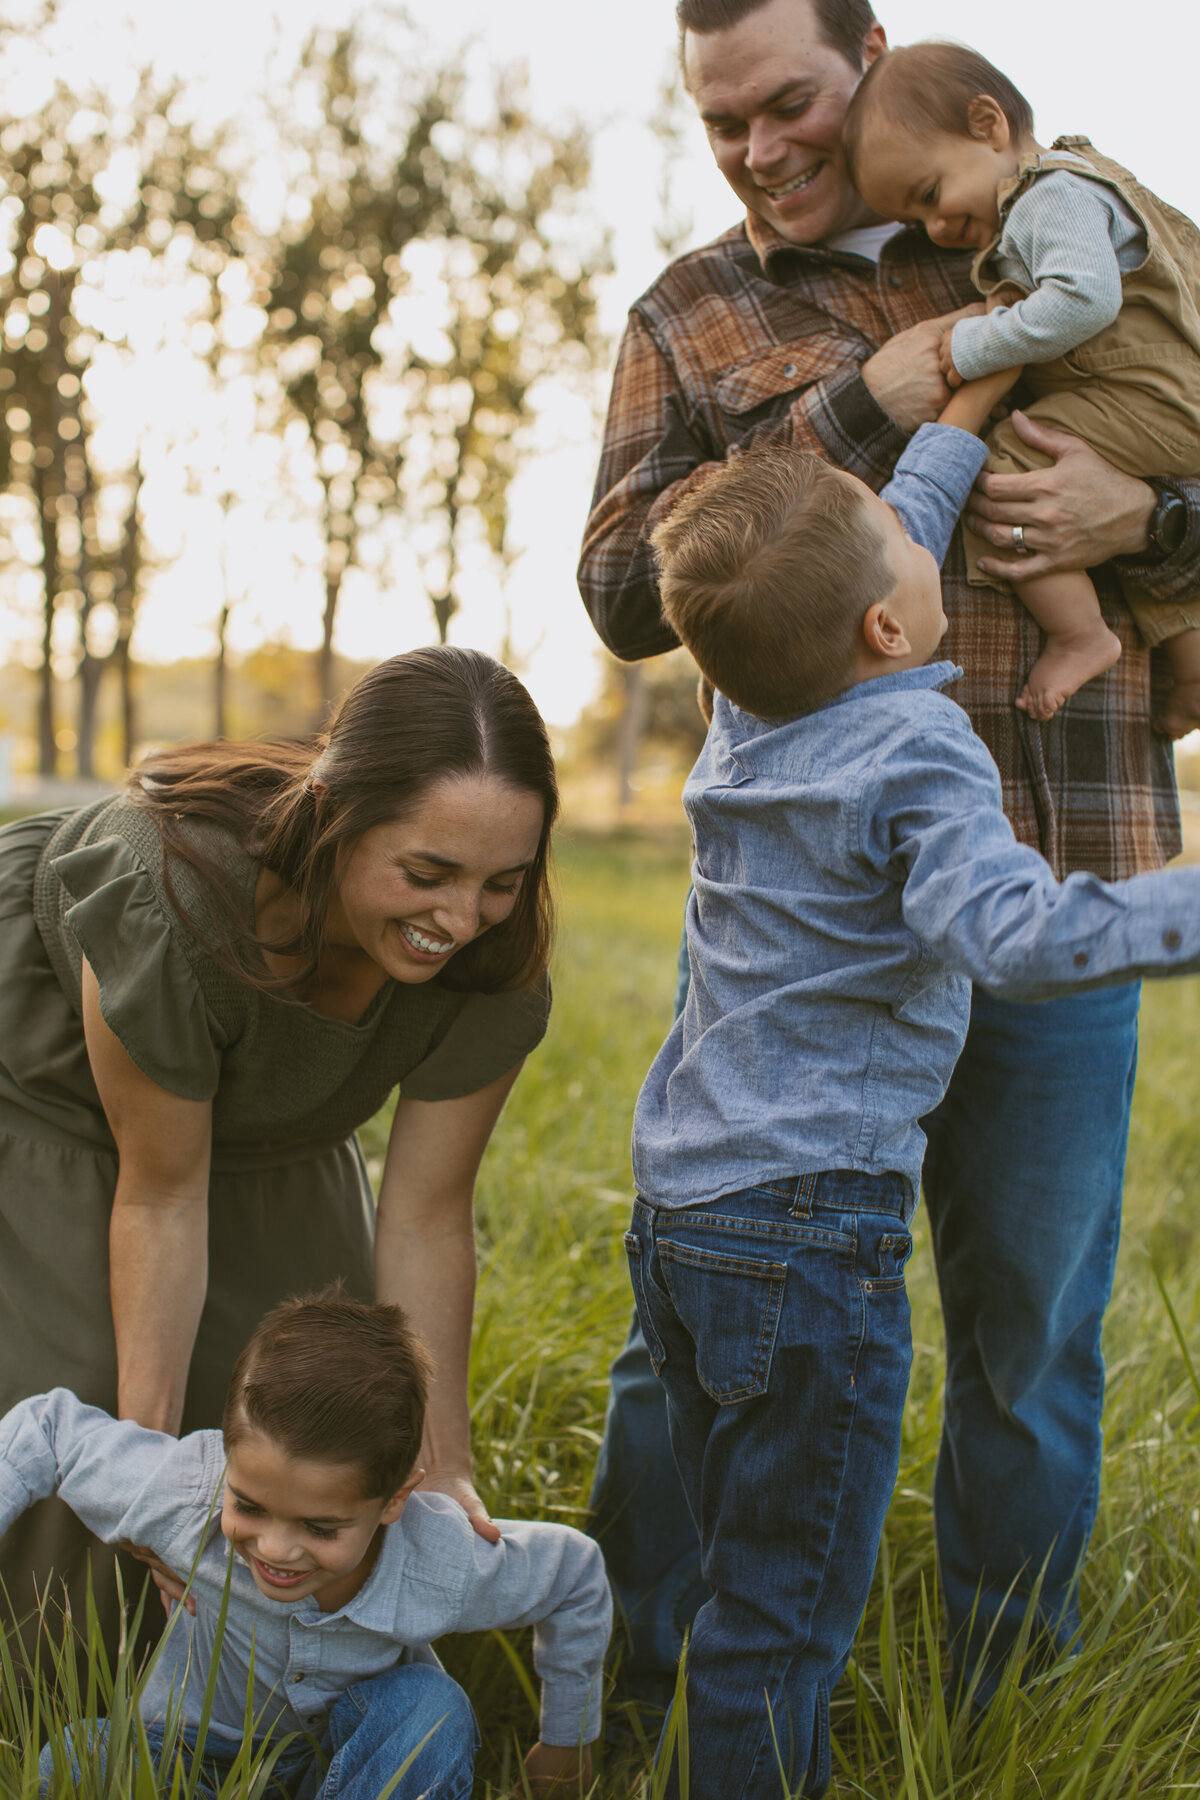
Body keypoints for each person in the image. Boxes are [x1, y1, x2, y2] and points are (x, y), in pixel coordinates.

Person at [579, 0, 1200, 1715]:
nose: (761, 149)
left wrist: (1150, 523)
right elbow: (630, 595)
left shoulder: (1046, 228)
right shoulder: (692, 311)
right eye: (724, 124)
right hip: (814, 929)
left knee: (1030, 1335)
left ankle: (997, 1697)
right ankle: (637, 1680)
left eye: (789, 104)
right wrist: (869, 396)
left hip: (1063, 858)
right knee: (704, 1325)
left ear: (877, 60)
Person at [631, 399, 1200, 1800]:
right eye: (895, 526)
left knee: (730, 1581)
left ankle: (635, 1723)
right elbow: (1010, 940)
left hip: (685, 1222)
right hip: (814, 1245)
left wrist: (955, 413)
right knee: (784, 1622)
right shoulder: (920, 754)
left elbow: (884, 536)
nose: (914, 514)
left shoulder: (743, 715)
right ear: (889, 628)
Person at [0, 645, 556, 1656]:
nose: (458, 921)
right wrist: (147, 1476)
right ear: (333, 820)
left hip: (280, 1119)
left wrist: (442, 1467)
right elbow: (162, 1196)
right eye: (426, 873)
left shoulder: (496, 961)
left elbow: (428, 1212)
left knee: (318, 1413)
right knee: (83, 1388)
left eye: (500, 883)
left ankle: (283, 1698)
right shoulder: (171, 895)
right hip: (56, 1091)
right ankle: (70, 1684)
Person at [5, 1291, 609, 1799]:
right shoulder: (184, 1492)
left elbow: (573, 1575)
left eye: (320, 1528)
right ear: (227, 1455)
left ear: (394, 1501)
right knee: (77, 1758)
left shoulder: (440, 1559)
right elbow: (46, 1429)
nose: (274, 1547)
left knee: (432, 1710)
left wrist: (567, 1741)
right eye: (248, 1505)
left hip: (353, 1761)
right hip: (189, 1754)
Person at [842, 40, 1200, 726]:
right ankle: (1191, 664)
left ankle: (1079, 635)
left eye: (931, 193)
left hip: (1150, 389)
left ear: (988, 124)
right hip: (1164, 396)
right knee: (1102, 485)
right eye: (918, 221)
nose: (939, 227)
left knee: (1011, 463)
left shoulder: (1048, 197)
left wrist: (971, 344)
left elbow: (1082, 302)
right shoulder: (1090, 181)